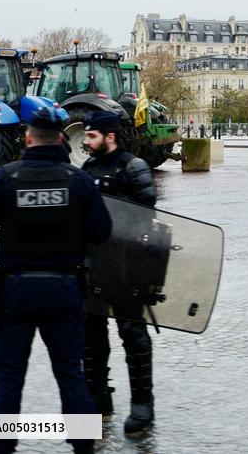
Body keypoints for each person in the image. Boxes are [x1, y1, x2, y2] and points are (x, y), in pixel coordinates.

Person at [0, 104, 111, 454]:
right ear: (60, 138)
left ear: (28, 138)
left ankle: (1, 448)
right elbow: (102, 232)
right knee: (71, 376)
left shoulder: (4, 178)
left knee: (9, 380)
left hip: (14, 291)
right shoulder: (79, 180)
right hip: (64, 289)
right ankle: (83, 447)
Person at [80, 110, 158, 435]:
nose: (85, 141)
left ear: (109, 136)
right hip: (94, 267)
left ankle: (143, 404)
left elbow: (147, 215)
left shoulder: (133, 167)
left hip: (127, 266)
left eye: (91, 135)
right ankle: (99, 401)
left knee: (133, 336)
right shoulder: (87, 169)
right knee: (92, 340)